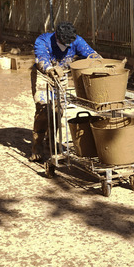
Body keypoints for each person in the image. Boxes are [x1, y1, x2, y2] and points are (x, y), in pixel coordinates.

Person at [30, 21, 101, 162]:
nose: (68, 46)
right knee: (44, 108)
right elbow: (42, 58)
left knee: (58, 111)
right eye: (65, 43)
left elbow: (90, 54)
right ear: (57, 36)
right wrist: (49, 69)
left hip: (62, 76)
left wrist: (99, 61)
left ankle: (50, 143)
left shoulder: (76, 40)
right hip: (43, 75)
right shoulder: (43, 40)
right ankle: (37, 145)